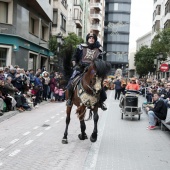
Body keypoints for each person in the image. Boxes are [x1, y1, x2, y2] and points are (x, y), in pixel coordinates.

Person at [66, 32, 107, 110]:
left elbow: (100, 61)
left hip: (92, 70)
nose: (91, 39)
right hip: (80, 69)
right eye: (90, 38)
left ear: (95, 40)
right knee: (71, 81)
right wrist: (75, 65)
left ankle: (101, 102)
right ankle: (70, 99)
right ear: (87, 39)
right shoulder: (81, 47)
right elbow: (74, 57)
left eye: (93, 38)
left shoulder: (99, 50)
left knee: (99, 84)